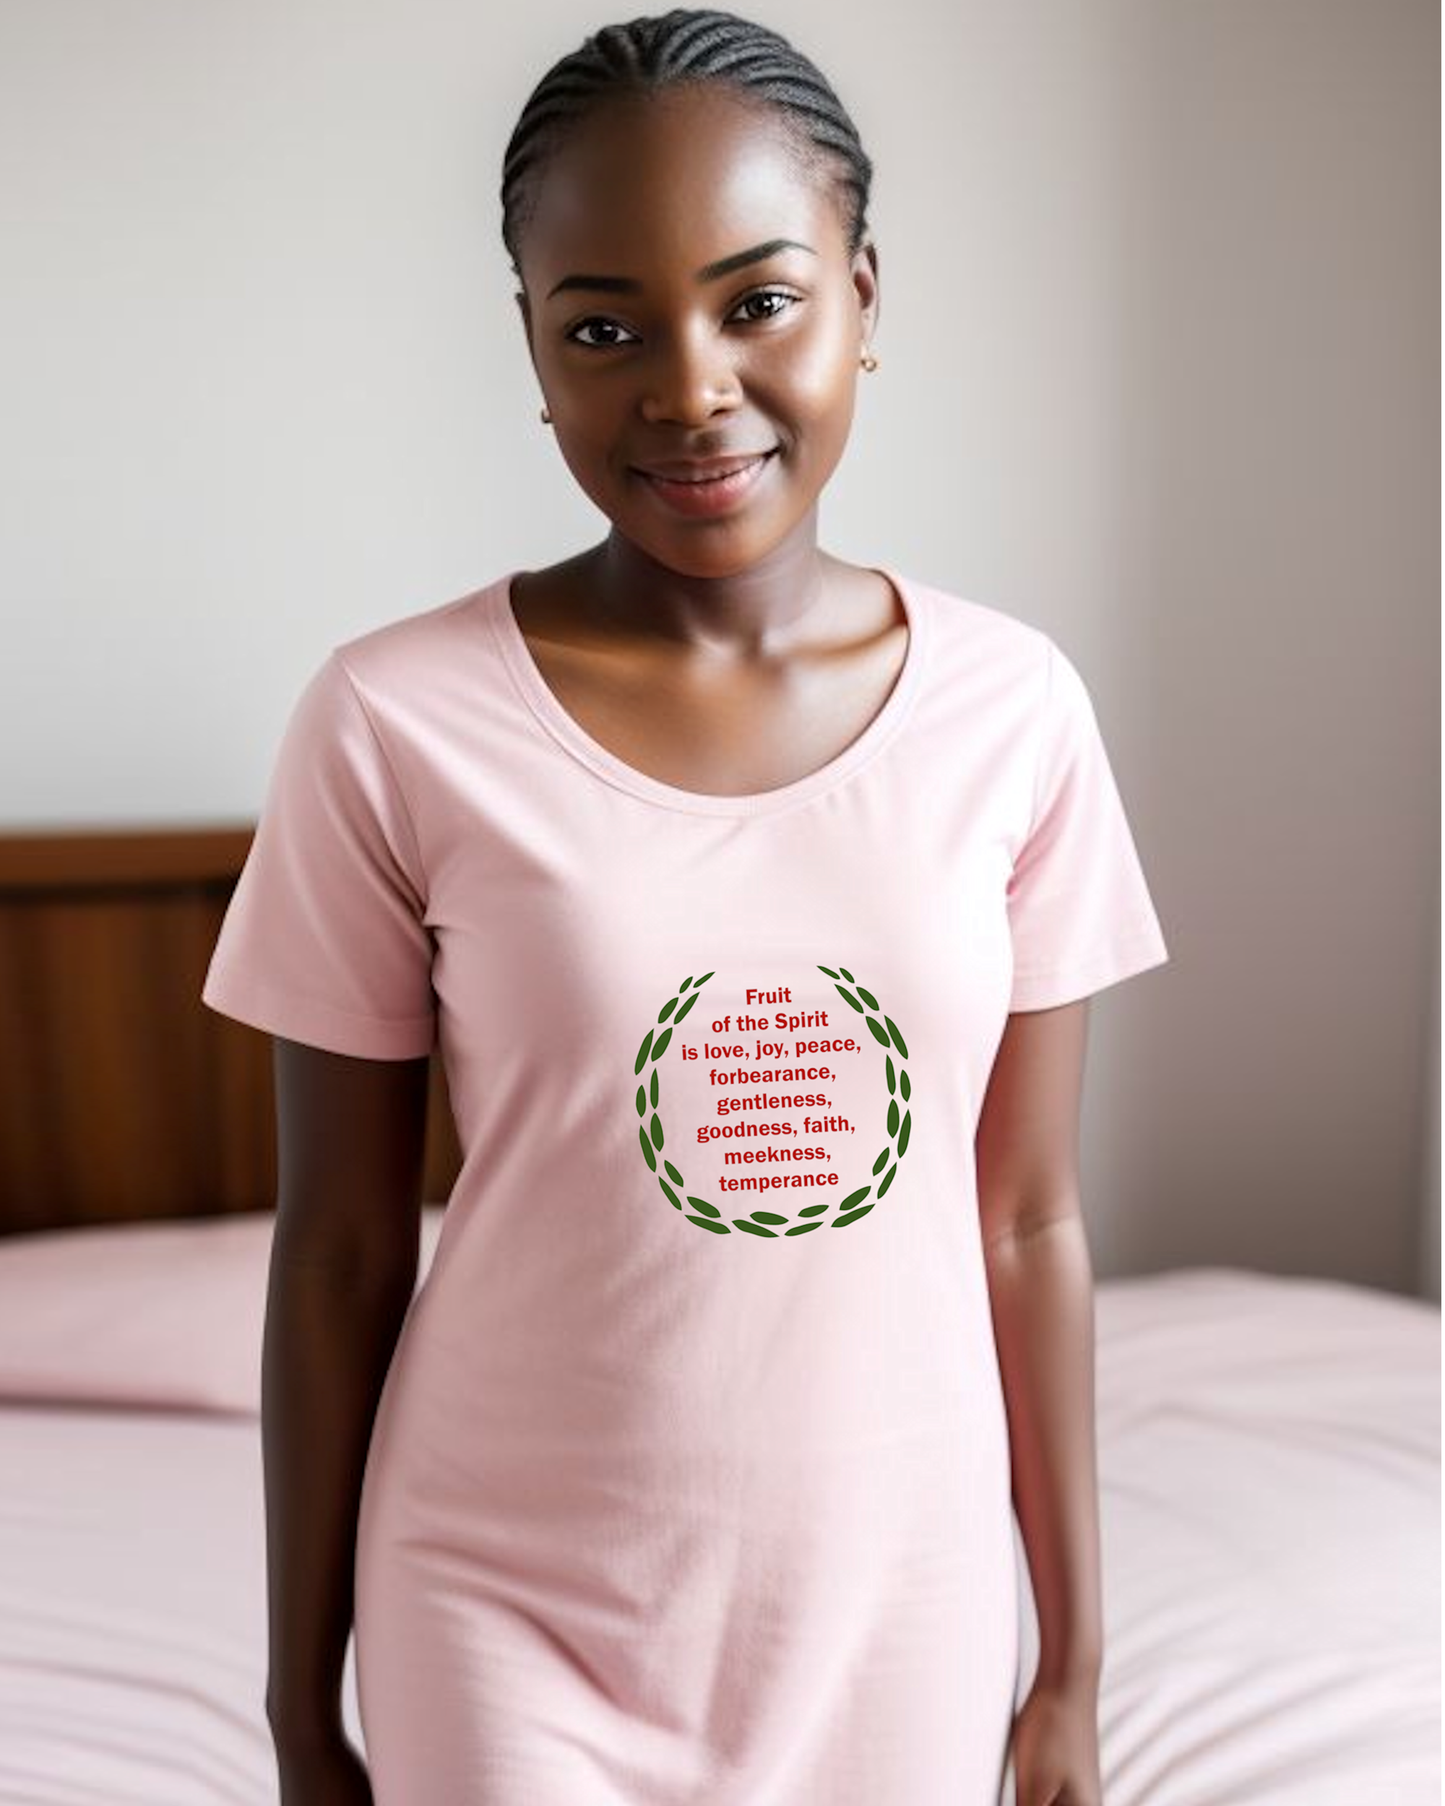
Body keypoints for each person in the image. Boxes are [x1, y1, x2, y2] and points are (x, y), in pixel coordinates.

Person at [201, 10, 1169, 1805]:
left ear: (866, 302)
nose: (690, 385)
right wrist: (292, 1709)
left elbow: (1027, 1222)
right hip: (504, 1608)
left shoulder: (1015, 714)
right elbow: (337, 1248)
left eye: (760, 301)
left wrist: (1074, 1669)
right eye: (606, 328)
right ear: (536, 352)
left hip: (903, 1603)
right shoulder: (390, 723)